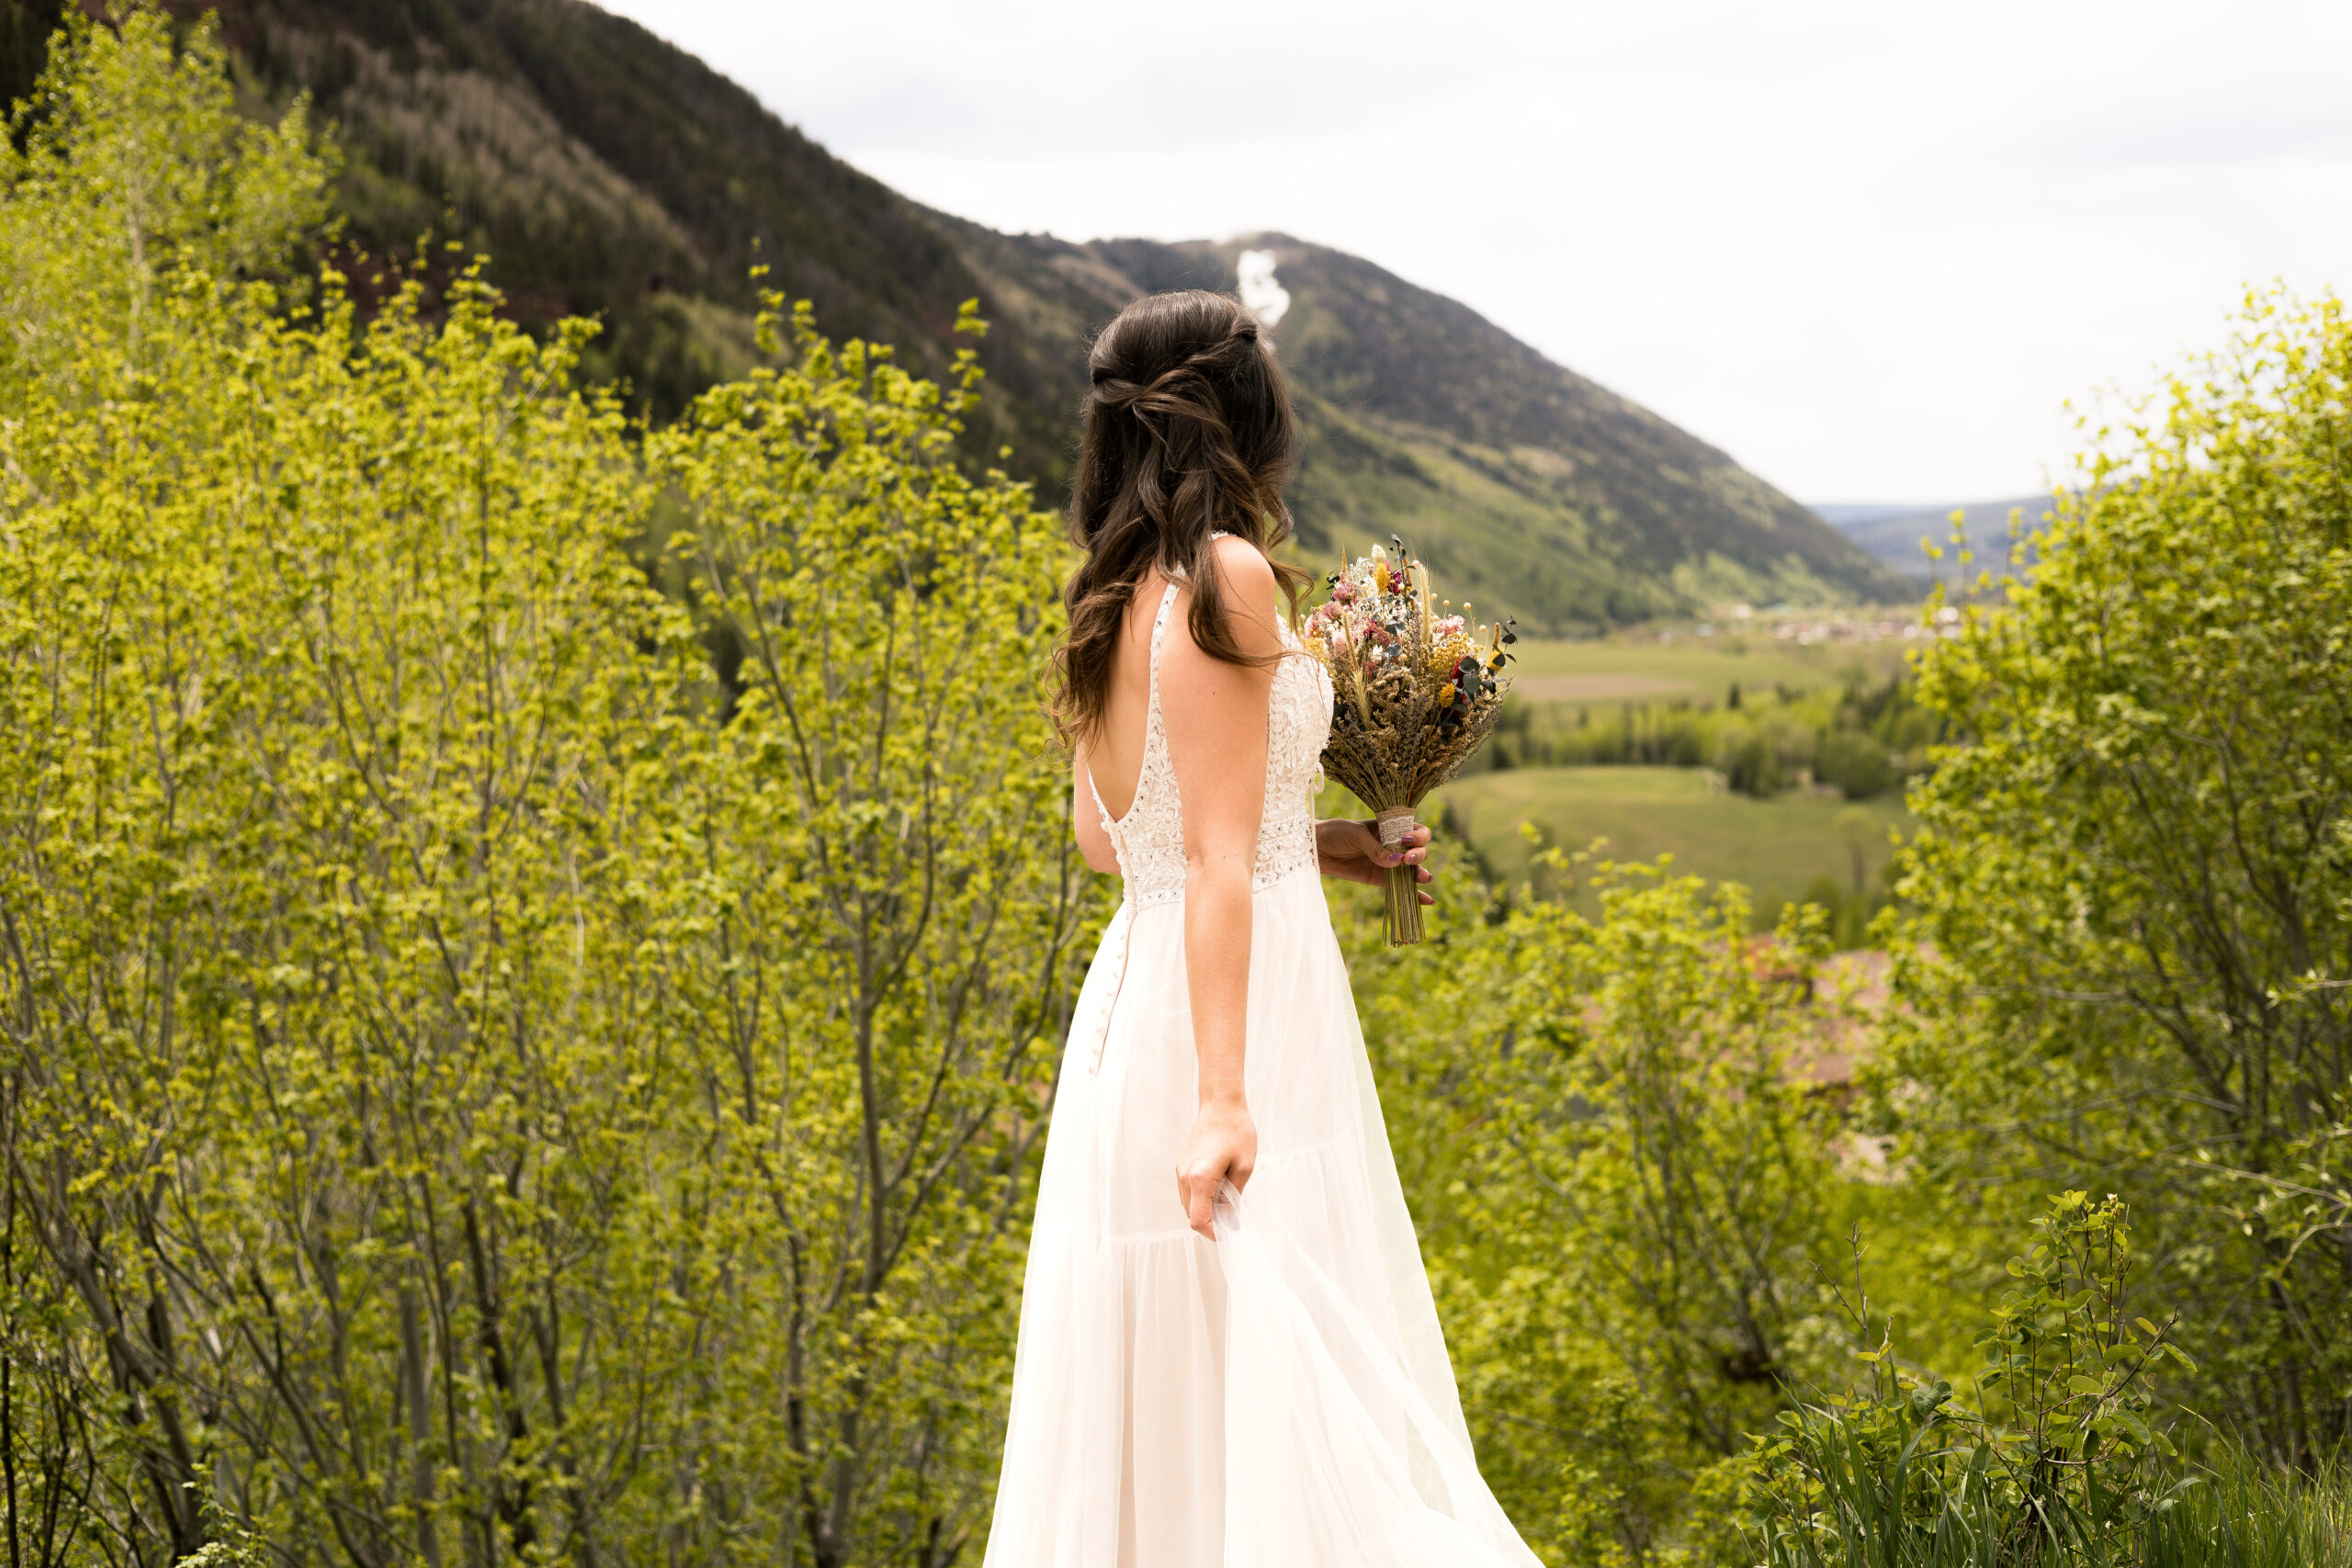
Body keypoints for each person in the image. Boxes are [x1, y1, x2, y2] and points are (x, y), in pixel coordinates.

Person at [982, 290, 1542, 1568]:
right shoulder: (1223, 579)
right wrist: (1226, 1097)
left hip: (1141, 1001)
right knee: (1273, 1368)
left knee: (1191, 1385)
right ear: (1250, 422)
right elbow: (1221, 854)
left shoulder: (1112, 592)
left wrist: (1332, 846)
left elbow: (1119, 840)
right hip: (1226, 1027)